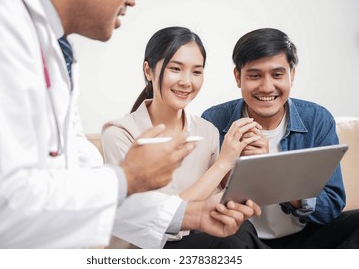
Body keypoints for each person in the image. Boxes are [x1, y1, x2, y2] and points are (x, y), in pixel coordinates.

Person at [0, 0, 261, 249]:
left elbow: (81, 184)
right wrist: (127, 178)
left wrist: (194, 213)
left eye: (197, 71)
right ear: (149, 70)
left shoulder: (57, 50)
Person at [101, 26, 267, 249]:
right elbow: (159, 219)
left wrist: (252, 159)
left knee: (243, 231)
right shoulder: (119, 134)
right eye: (175, 69)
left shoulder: (207, 131)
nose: (187, 82)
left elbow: (217, 204)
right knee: (229, 244)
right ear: (149, 71)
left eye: (196, 72)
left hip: (200, 236)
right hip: (147, 248)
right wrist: (222, 162)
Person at [202, 27, 359, 248]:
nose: (267, 87)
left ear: (291, 75)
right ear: (238, 77)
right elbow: (203, 202)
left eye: (277, 75)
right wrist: (230, 163)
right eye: (254, 75)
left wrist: (271, 169)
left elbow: (331, 204)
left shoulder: (317, 119)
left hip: (307, 236)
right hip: (243, 238)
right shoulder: (214, 120)